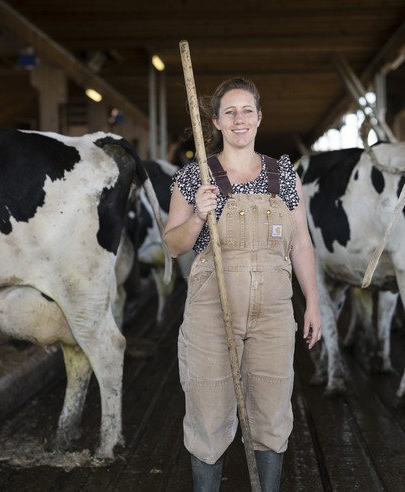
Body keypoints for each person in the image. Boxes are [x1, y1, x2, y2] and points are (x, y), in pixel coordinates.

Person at [163, 77, 322, 492]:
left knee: (272, 412)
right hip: (212, 313)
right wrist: (198, 214)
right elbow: (173, 245)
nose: (239, 119)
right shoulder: (192, 177)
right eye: (229, 112)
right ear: (215, 121)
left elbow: (301, 243)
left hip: (273, 313)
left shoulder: (284, 175)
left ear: (259, 117)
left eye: (247, 110)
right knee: (209, 412)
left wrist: (314, 304)